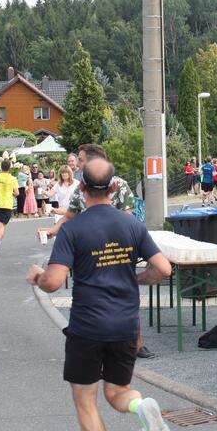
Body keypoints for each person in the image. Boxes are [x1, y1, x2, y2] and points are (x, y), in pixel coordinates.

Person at [26, 157, 174, 431]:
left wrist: (37, 277)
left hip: (88, 327)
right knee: (118, 393)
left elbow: (54, 281)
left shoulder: (72, 229)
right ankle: (141, 406)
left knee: (86, 401)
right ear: (113, 187)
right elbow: (164, 269)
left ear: (81, 188)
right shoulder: (131, 224)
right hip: (126, 325)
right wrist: (137, 278)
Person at [40, 144, 151, 359]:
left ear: (92, 161)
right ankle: (92, 342)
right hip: (89, 250)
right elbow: (70, 216)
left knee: (124, 295)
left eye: (80, 160)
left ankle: (135, 343)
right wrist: (53, 230)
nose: (77, 164)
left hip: (115, 249)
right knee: (90, 294)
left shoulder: (119, 185)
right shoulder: (81, 187)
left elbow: (127, 217)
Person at [0, 159, 18, 258]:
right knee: (2, 225)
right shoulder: (13, 178)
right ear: (9, 167)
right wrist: (11, 192)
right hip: (6, 204)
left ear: (1, 167)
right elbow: (17, 193)